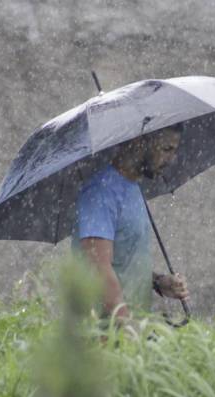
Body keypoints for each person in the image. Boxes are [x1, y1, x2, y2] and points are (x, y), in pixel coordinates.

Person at [72, 124, 190, 322]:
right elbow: (98, 269)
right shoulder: (101, 192)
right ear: (138, 142)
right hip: (103, 337)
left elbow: (122, 262)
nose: (171, 159)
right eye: (166, 149)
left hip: (131, 336)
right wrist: (127, 327)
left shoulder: (132, 187)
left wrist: (159, 282)